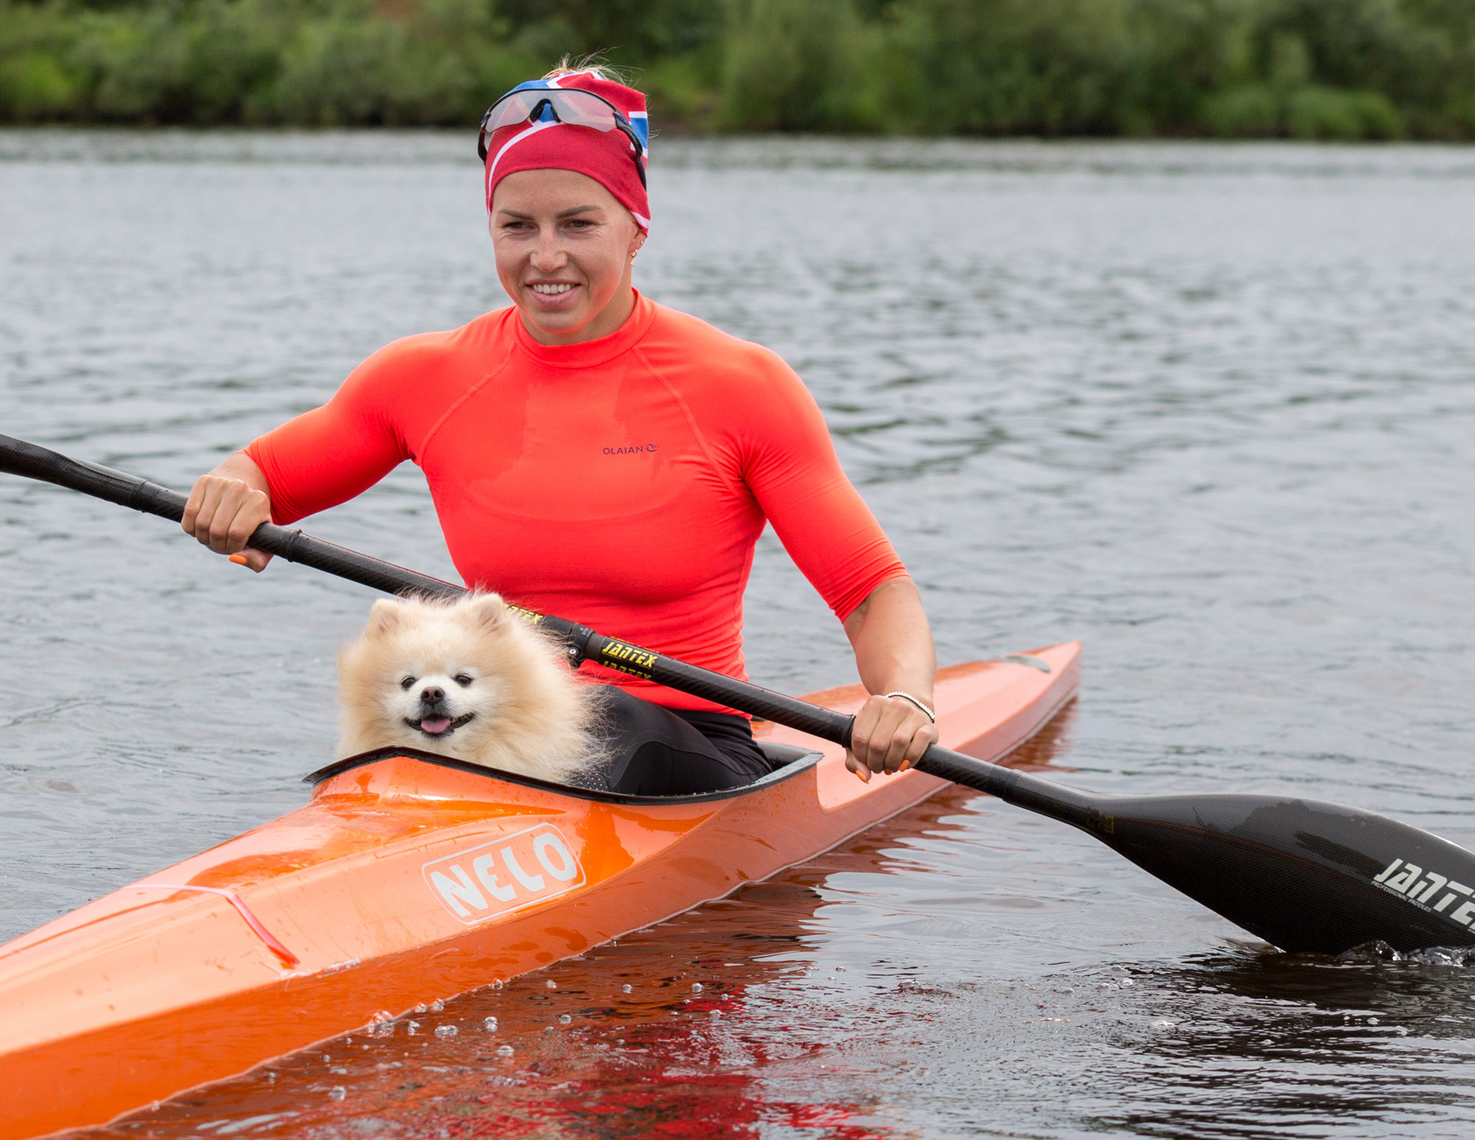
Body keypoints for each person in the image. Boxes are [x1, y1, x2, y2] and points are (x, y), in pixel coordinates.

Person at [182, 64, 940, 795]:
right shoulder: (422, 378)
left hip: (685, 741)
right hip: (485, 732)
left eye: (578, 224)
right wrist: (232, 498)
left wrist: (904, 698)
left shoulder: (741, 384)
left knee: (597, 714)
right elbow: (260, 476)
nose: (546, 257)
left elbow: (872, 595)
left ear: (636, 227)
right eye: (518, 227)